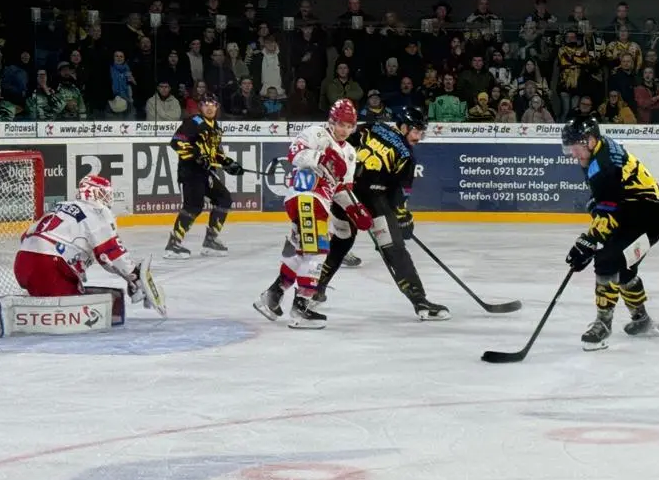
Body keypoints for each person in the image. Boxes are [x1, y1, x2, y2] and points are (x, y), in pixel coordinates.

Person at [310, 106, 448, 321]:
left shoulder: (372, 127)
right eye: (416, 131)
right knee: (394, 249)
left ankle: (314, 291)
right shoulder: (407, 156)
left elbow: (344, 144)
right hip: (374, 201)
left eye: (422, 132)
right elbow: (399, 193)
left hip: (344, 195)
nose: (419, 137)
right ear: (404, 127)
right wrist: (403, 219)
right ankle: (420, 302)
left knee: (341, 242)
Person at [253, 99, 370, 329]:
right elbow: (294, 154)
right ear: (332, 121)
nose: (345, 130)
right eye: (341, 124)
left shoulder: (349, 153)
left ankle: (272, 296)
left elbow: (342, 189)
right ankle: (300, 309)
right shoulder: (316, 134)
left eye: (349, 126)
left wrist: (355, 209)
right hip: (305, 197)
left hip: (320, 203)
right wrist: (321, 157)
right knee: (318, 251)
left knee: (302, 252)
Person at [0, 174, 162, 333]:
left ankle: (22, 307)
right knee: (74, 311)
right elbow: (111, 252)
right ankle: (17, 315)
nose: (108, 198)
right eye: (105, 193)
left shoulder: (61, 206)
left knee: (58, 292)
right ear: (95, 192)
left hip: (22, 262)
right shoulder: (97, 211)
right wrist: (133, 275)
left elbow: (25, 236)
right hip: (48, 266)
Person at [562, 116, 659, 351]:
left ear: (590, 140)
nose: (573, 154)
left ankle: (603, 324)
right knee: (624, 268)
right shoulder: (598, 152)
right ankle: (642, 320)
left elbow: (608, 209)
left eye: (576, 147)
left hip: (649, 218)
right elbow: (608, 201)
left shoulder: (604, 164)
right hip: (632, 212)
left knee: (607, 260)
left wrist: (587, 242)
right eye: (570, 148)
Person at [163, 94, 242, 259]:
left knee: (223, 199)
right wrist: (197, 156)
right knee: (193, 206)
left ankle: (210, 241)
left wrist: (228, 163)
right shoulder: (193, 122)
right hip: (191, 172)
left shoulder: (216, 127)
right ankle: (173, 244)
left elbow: (215, 152)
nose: (209, 107)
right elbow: (176, 142)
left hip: (206, 173)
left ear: (217, 107)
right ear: (200, 107)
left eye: (213, 104)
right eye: (206, 104)